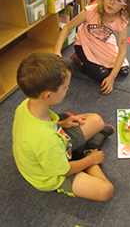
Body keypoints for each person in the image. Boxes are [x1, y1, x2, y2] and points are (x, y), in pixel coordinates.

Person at [13, 52, 114, 201]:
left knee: (97, 121)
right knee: (105, 190)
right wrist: (92, 160)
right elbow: (64, 171)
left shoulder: (26, 104)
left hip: (57, 143)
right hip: (53, 175)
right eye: (65, 88)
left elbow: (46, 127)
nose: (68, 90)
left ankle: (80, 151)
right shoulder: (46, 141)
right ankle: (86, 152)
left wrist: (61, 123)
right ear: (48, 96)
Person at [54, 0, 130, 95]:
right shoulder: (90, 11)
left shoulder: (121, 21)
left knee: (124, 71)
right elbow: (67, 28)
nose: (112, 2)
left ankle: (96, 64)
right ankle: (78, 58)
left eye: (118, 0)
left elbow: (122, 51)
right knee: (101, 76)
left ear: (124, 6)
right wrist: (57, 50)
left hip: (104, 44)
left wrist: (112, 77)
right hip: (84, 44)